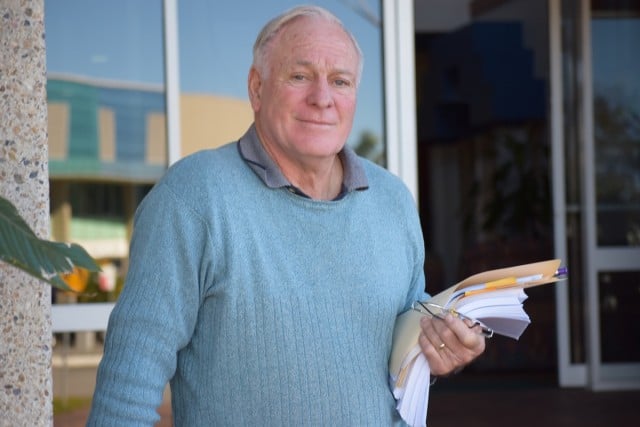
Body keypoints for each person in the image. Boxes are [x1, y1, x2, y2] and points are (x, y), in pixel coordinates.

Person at [87, 5, 485, 426]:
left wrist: (443, 349)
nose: (322, 97)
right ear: (256, 88)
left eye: (340, 81)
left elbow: (407, 348)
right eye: (299, 76)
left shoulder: (392, 200)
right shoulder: (192, 198)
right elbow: (125, 393)